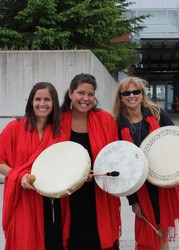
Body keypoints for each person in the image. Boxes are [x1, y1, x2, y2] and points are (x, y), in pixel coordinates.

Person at [112, 76, 179, 250]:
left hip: (163, 183)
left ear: (142, 94)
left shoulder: (157, 114)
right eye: (127, 93)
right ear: (121, 97)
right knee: (149, 233)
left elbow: (173, 142)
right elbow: (122, 167)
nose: (131, 96)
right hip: (141, 188)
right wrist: (133, 201)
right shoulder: (117, 125)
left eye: (136, 91)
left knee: (161, 232)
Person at [0, 82, 66, 250]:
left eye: (47, 100)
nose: (42, 104)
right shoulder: (14, 127)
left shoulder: (60, 133)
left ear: (54, 104)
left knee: (51, 242)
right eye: (38, 99)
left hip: (49, 199)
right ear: (31, 102)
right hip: (21, 198)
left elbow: (64, 166)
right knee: (24, 242)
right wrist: (18, 176)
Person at [60, 73, 121, 250]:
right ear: (70, 94)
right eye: (81, 93)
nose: (86, 98)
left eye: (91, 94)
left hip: (99, 193)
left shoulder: (106, 120)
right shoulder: (58, 120)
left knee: (100, 240)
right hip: (69, 194)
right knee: (74, 239)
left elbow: (114, 156)